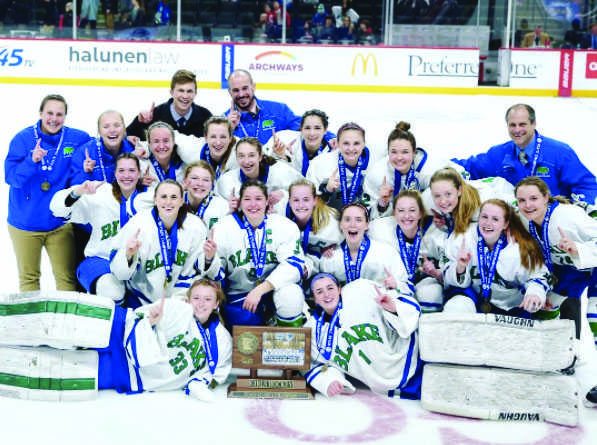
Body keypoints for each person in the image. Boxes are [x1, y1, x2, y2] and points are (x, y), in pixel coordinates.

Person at [0, 278, 232, 401]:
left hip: (127, 372)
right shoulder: (177, 310)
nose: (201, 304)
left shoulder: (221, 341)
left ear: (216, 304)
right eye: (197, 298)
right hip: (117, 328)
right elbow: (149, 316)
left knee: (56, 368)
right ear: (189, 299)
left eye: (207, 299)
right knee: (54, 323)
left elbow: (211, 375)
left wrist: (200, 387)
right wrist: (150, 322)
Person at [4, 94, 91, 291]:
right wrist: (31, 161)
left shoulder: (77, 138)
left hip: (59, 224)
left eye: (59, 114)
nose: (54, 118)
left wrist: (131, 139)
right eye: (49, 113)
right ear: (40, 113)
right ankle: (30, 323)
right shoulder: (23, 139)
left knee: (67, 280)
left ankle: (66, 322)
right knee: (29, 279)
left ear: (65, 116)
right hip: (25, 225)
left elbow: (104, 145)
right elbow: (12, 179)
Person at [50, 153, 153, 304]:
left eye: (131, 171)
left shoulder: (150, 199)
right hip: (101, 261)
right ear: (115, 173)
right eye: (121, 171)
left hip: (135, 265)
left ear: (139, 173)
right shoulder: (101, 192)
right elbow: (57, 208)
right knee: (111, 290)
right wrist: (78, 192)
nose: (126, 176)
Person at [452, 104, 597, 205]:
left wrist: (578, 209)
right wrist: (439, 164)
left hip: (552, 222)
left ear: (534, 124)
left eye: (522, 124)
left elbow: (586, 184)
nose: (517, 130)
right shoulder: (499, 154)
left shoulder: (560, 153)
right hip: (516, 222)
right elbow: (470, 167)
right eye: (512, 125)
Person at [305, 274, 422, 399]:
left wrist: (393, 308)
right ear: (314, 298)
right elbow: (319, 365)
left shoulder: (360, 291)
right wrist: (329, 381)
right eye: (319, 292)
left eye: (330, 288)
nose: (327, 295)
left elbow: (408, 308)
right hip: (378, 387)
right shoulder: (313, 330)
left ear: (339, 289)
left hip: (410, 362)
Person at [110, 179, 220, 308]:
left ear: (181, 201)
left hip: (179, 297)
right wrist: (128, 255)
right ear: (155, 200)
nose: (168, 202)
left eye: (174, 197)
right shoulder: (138, 224)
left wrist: (209, 259)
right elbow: (119, 273)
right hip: (140, 297)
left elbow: (202, 271)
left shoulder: (195, 226)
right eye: (163, 197)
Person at [211, 179, 305, 327]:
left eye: (259, 199)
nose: (253, 204)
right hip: (240, 296)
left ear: (267, 201)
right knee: (247, 322)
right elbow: (215, 274)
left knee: (291, 295)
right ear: (240, 202)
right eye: (247, 199)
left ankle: (287, 346)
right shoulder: (223, 228)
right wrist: (209, 260)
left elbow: (294, 265)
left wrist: (260, 290)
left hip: (273, 290)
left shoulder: (283, 225)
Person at [515, 177, 597, 341]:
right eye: (522, 200)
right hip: (571, 269)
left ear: (546, 197)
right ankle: (558, 357)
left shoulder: (568, 217)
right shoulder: (524, 220)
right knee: (543, 310)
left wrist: (579, 248)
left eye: (534, 198)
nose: (528, 205)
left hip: (593, 265)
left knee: (594, 316)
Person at [443, 199, 551, 315]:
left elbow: (539, 276)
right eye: (484, 217)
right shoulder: (462, 237)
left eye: (495, 219)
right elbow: (446, 278)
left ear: (505, 224)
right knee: (456, 306)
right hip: (473, 299)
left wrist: (534, 293)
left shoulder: (519, 248)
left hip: (510, 307)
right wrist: (460, 267)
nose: (488, 223)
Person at [364, 121, 464, 218]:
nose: (399, 157)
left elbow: (459, 184)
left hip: (461, 167)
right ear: (388, 152)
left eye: (405, 152)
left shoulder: (430, 170)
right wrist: (383, 204)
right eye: (394, 152)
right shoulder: (377, 175)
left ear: (414, 152)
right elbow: (368, 215)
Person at [369, 190, 446, 313]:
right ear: (394, 213)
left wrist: (436, 273)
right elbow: (358, 227)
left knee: (431, 293)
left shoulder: (437, 233)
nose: (406, 216)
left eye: (412, 210)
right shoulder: (380, 228)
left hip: (426, 283)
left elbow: (451, 273)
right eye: (401, 211)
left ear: (421, 213)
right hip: (398, 283)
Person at [224, 69, 335, 146]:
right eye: (236, 90)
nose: (241, 94)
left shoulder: (278, 111)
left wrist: (332, 138)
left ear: (253, 87)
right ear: (229, 92)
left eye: (245, 88)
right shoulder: (224, 121)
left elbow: (307, 126)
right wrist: (228, 130)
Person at [319, 202, 411, 293]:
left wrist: (396, 285)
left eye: (358, 220)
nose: (352, 224)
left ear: (367, 225)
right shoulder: (330, 257)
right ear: (340, 225)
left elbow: (407, 287)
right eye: (347, 220)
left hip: (380, 306)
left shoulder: (386, 253)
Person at [215, 136, 302, 210]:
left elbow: (307, 191)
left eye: (251, 155)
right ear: (236, 158)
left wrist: (285, 194)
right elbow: (216, 207)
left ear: (260, 156)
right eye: (241, 156)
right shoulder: (226, 181)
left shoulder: (281, 172)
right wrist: (230, 208)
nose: (246, 161)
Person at [126, 69, 212, 142]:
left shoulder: (206, 117)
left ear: (195, 93)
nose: (185, 96)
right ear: (171, 92)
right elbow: (127, 135)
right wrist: (140, 123)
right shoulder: (155, 115)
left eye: (189, 91)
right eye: (181, 91)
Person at [307, 122, 372, 211]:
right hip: (329, 217)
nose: (351, 149)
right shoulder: (320, 164)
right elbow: (309, 203)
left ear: (364, 144)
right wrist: (326, 191)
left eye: (356, 143)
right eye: (346, 143)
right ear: (338, 143)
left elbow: (372, 203)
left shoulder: (374, 165)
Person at [286, 179, 343, 279]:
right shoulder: (281, 217)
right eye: (295, 200)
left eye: (306, 199)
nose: (301, 205)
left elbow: (349, 236)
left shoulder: (332, 223)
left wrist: (333, 246)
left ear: (315, 201)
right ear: (289, 201)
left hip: (316, 262)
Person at [71, 110, 135, 185]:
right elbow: (75, 188)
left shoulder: (134, 150)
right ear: (99, 131)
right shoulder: (84, 153)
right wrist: (86, 173)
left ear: (124, 129)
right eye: (106, 127)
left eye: (117, 125)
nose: (112, 130)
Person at [264, 109, 334, 176]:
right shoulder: (284, 139)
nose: (312, 133)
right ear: (301, 129)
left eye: (317, 128)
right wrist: (280, 157)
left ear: (325, 130)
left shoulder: (333, 151)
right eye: (307, 128)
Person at [174, 116, 238, 180]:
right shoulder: (191, 149)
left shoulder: (239, 152)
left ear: (230, 138)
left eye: (223, 137)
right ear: (206, 138)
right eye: (213, 136)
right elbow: (171, 134)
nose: (218, 142)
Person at [182, 161, 229, 230]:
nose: (200, 184)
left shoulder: (222, 206)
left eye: (206, 180)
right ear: (185, 181)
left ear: (211, 184)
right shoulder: (175, 203)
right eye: (194, 178)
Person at [138, 121, 186, 185]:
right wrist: (138, 182)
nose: (161, 146)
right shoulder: (141, 165)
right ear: (149, 144)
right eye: (156, 141)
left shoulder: (185, 164)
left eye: (166, 141)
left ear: (173, 142)